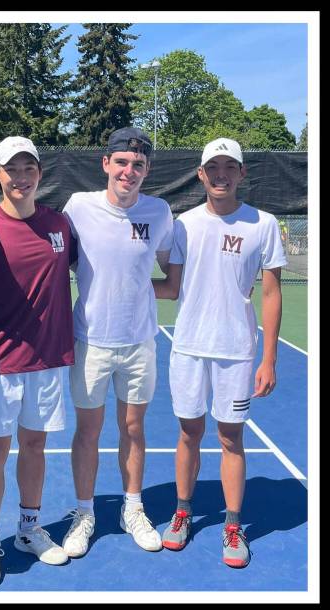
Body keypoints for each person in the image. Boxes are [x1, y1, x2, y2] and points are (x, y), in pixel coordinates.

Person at [153, 138, 285, 568]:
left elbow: (271, 292)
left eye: (230, 166)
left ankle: (232, 524)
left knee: (231, 437)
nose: (221, 174)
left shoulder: (263, 224)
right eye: (214, 167)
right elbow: (171, 286)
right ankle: (183, 512)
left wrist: (269, 358)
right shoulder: (183, 225)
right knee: (188, 433)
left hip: (237, 352)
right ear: (201, 174)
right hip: (189, 348)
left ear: (242, 173)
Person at [0, 137, 74, 587]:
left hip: (48, 358)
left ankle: (28, 528)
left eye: (29, 168)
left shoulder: (60, 224)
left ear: (40, 173)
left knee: (35, 446)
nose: (21, 177)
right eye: (12, 169)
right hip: (0, 359)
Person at [60, 127, 174, 558]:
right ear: (106, 163)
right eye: (122, 162)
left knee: (133, 428)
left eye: (138, 164)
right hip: (90, 341)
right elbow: (57, 261)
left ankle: (133, 508)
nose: (129, 171)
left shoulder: (160, 212)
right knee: (88, 432)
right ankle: (85, 512)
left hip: (140, 342)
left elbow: (172, 279)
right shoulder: (78, 207)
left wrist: (139, 291)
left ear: (147, 170)